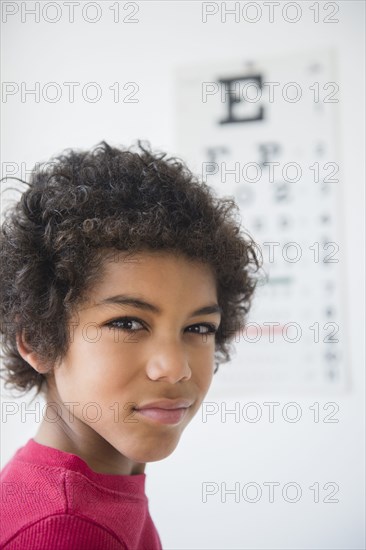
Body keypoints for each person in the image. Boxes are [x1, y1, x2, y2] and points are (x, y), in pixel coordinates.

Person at [0, 140, 261, 549]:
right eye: (128, 322)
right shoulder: (63, 530)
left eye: (199, 328)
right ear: (37, 339)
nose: (175, 368)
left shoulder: (87, 489)